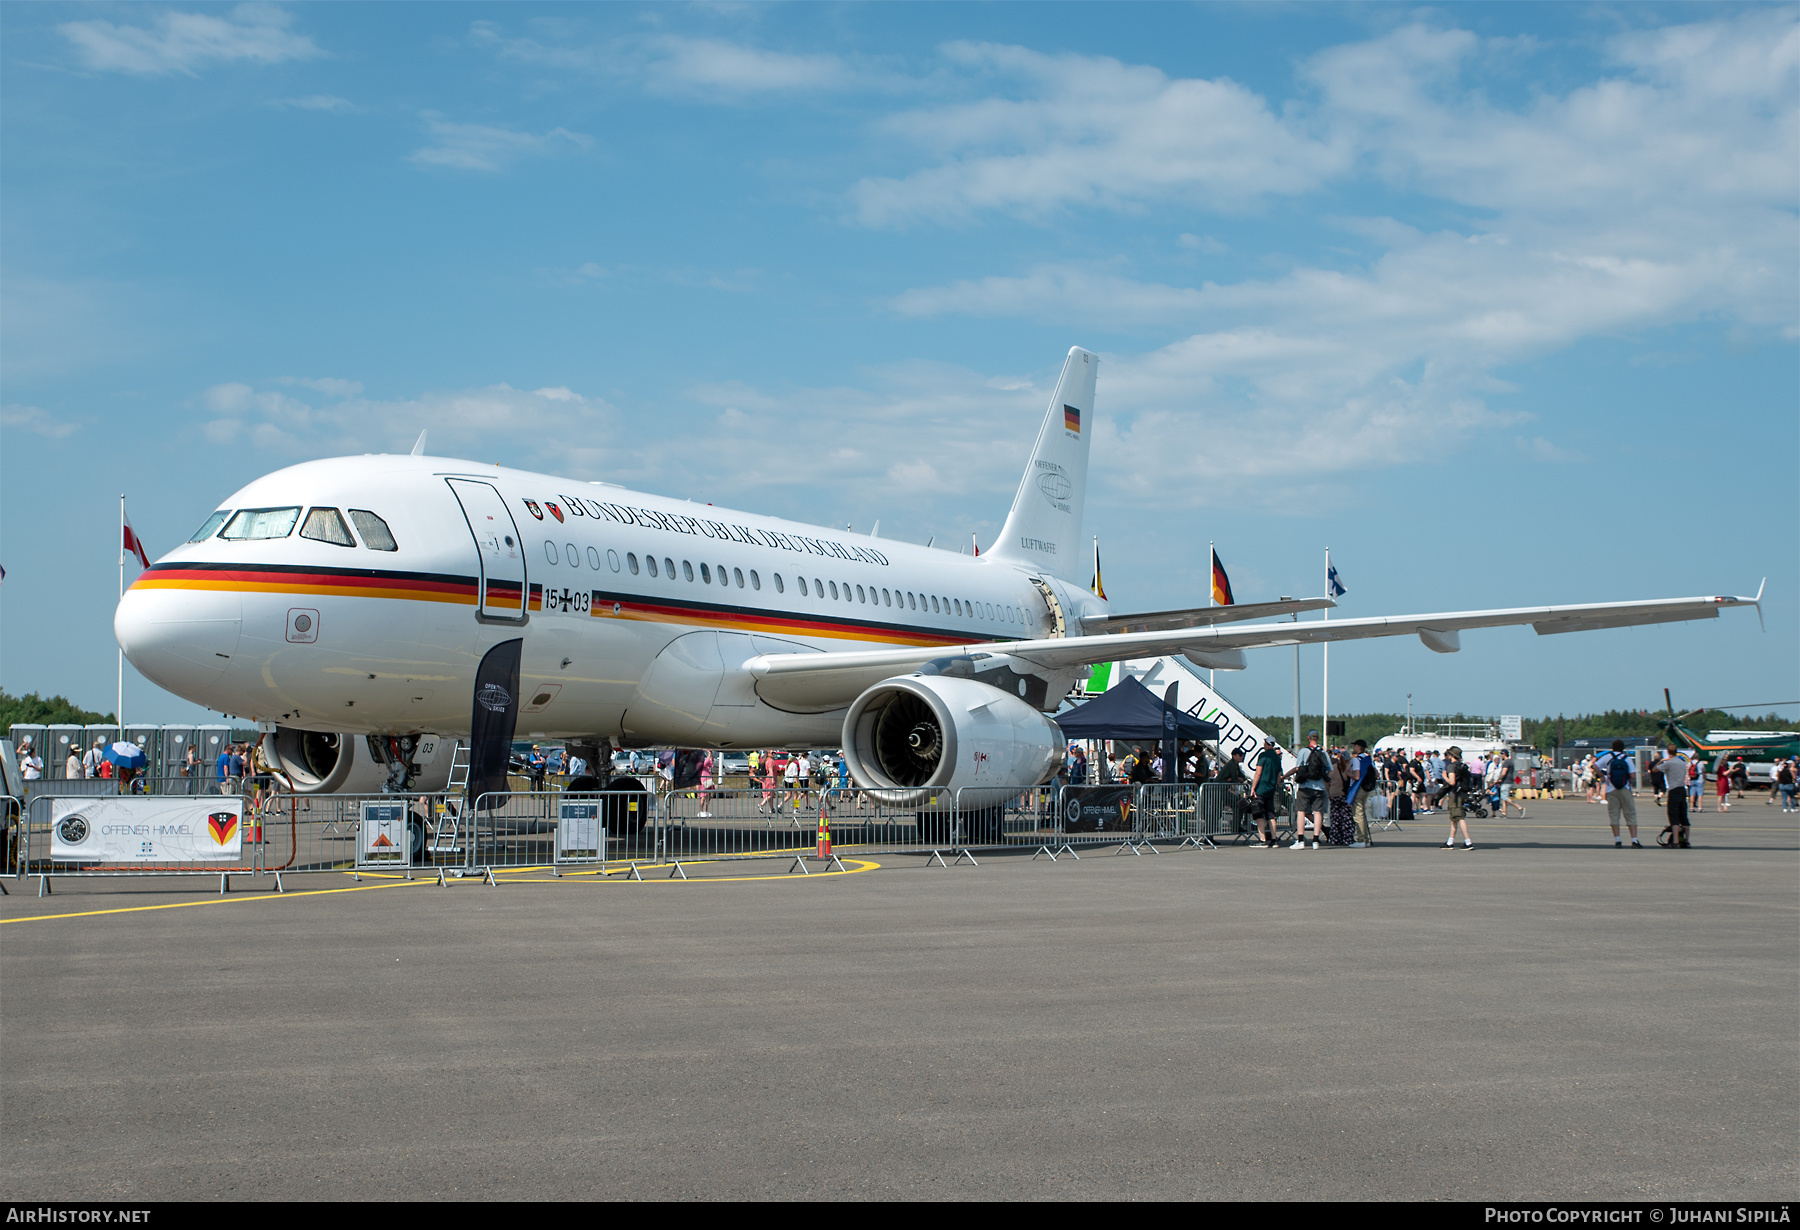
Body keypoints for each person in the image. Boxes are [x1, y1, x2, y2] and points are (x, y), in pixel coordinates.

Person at [1284, 731, 1329, 849]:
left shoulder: (1303, 751)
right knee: (1318, 812)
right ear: (1318, 738)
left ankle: (1300, 840)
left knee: (1301, 811)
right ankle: (1315, 840)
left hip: (1305, 786)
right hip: (1319, 786)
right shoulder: (1323, 752)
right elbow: (1329, 768)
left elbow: (1299, 767)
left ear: (1308, 738)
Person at [1592, 740, 1640, 847]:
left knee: (1614, 814)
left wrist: (1601, 776)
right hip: (1625, 788)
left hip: (1611, 789)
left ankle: (1617, 840)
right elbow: (1632, 775)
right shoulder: (1626, 759)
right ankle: (1634, 840)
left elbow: (1594, 765)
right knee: (1630, 814)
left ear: (1612, 747)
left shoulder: (1607, 757)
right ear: (1623, 748)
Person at [1248, 738, 1284, 848]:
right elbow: (1279, 775)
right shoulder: (1277, 758)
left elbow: (1258, 773)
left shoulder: (1263, 756)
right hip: (1271, 788)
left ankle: (1262, 840)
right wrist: (1274, 784)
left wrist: (1253, 787)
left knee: (1259, 814)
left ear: (1267, 744)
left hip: (1261, 788)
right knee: (1270, 814)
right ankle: (1274, 839)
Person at [1655, 743, 1692, 848]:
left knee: (1673, 816)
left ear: (1668, 752)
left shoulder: (1669, 763)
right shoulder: (1682, 763)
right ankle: (1686, 840)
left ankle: (1675, 841)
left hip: (1673, 789)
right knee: (1684, 816)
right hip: (1682, 789)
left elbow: (1655, 769)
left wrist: (1662, 761)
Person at [1438, 745, 1474, 850]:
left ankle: (1468, 842)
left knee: (1459, 817)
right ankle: (1450, 841)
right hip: (1463, 793)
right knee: (1454, 818)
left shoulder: (1451, 766)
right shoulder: (1462, 766)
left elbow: (1452, 782)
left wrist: (1445, 777)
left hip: (1455, 795)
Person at [1345, 739, 1376, 846]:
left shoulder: (1357, 760)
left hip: (1358, 788)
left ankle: (1361, 839)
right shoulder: (1368, 759)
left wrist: (1348, 773)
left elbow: (1357, 776)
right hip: (1366, 788)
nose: (1354, 748)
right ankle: (1366, 839)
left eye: (1355, 746)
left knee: (1358, 814)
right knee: (1362, 813)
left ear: (1360, 747)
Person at [696, 751, 714, 818]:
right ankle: (701, 811)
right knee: (703, 797)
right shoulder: (700, 764)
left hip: (708, 780)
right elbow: (706, 762)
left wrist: (711, 754)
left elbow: (711, 761)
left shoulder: (706, 765)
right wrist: (709, 754)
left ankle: (705, 811)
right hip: (704, 780)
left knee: (709, 796)